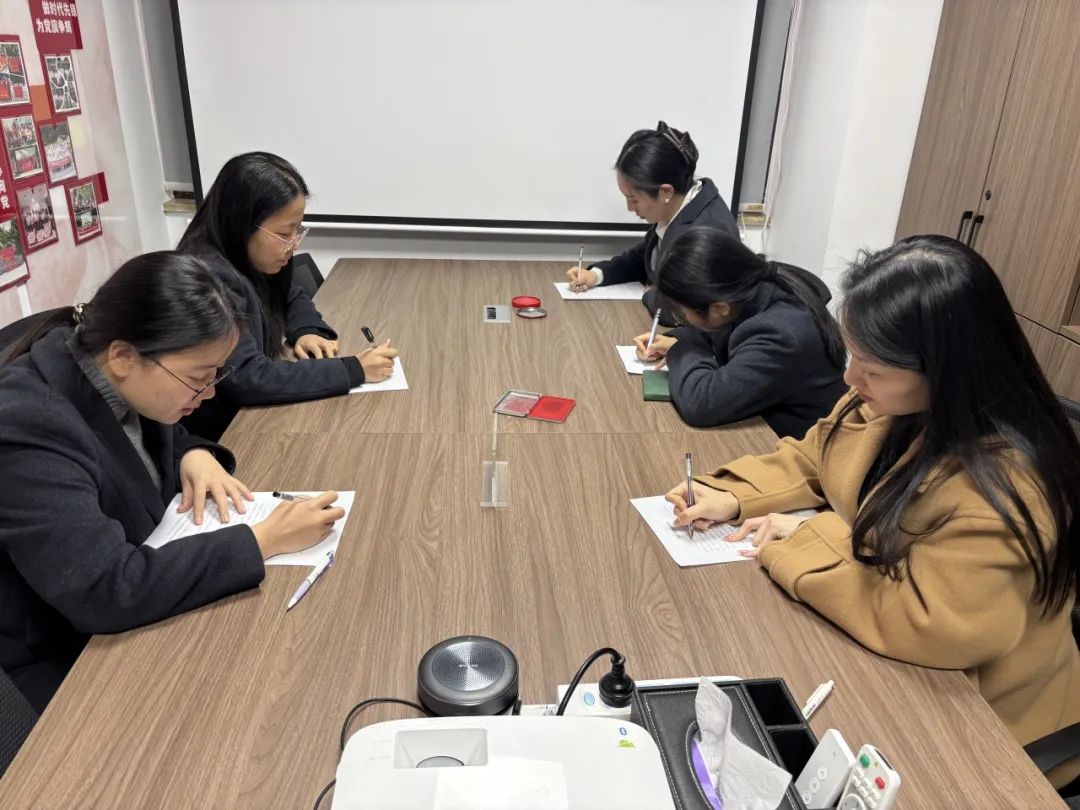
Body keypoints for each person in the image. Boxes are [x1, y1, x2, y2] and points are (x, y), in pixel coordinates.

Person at [665, 235, 1080, 788]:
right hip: (893, 656)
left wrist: (807, 532)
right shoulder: (886, 400)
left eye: (873, 367)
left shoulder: (1004, 484)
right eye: (852, 352)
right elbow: (817, 455)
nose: (850, 377)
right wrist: (732, 494)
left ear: (945, 369)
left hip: (982, 716)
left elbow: (936, 622)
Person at [0, 253, 345, 713]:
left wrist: (192, 452)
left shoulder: (104, 368)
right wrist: (262, 540)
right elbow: (104, 588)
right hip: (66, 654)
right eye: (199, 378)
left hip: (133, 598)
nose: (210, 392)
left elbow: (141, 436)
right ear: (123, 356)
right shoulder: (30, 424)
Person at [177, 152, 398, 440]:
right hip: (226, 434)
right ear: (242, 223)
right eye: (284, 233)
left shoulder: (246, 254)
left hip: (252, 417)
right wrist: (354, 369)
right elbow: (247, 377)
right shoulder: (208, 279)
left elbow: (289, 294)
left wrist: (307, 330)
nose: (293, 244)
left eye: (298, 229)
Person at [636, 226, 847, 438]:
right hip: (765, 429)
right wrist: (677, 338)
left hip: (799, 446)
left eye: (683, 312)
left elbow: (701, 403)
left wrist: (679, 350)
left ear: (720, 308)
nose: (683, 318)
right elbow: (710, 333)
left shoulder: (779, 335)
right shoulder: (746, 290)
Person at [564, 122, 738, 323]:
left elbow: (681, 310)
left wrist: (651, 294)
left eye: (634, 199)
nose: (630, 208)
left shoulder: (707, 231)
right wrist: (596, 275)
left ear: (665, 192)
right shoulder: (677, 207)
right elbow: (643, 258)